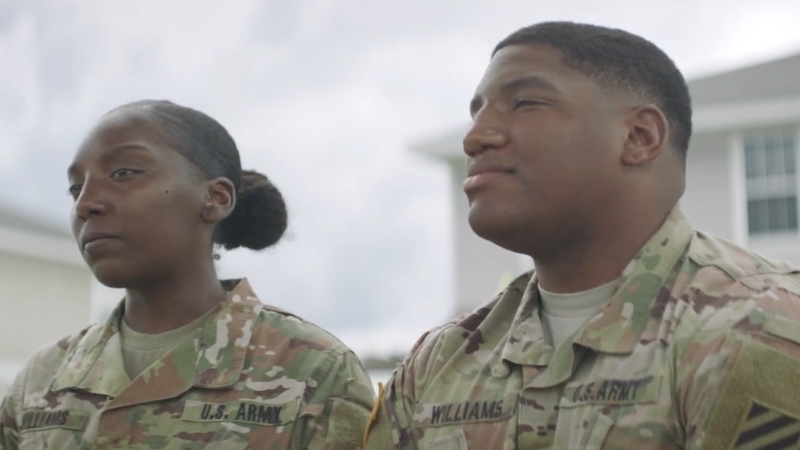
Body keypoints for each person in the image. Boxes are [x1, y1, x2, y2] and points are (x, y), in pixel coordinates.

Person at [365, 21, 800, 450]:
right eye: (476, 112)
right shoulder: (436, 364)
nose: (475, 137)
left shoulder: (757, 328)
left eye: (524, 103)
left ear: (639, 136)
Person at [0, 100, 375, 449]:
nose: (86, 204)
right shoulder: (40, 381)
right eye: (75, 187)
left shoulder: (314, 372)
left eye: (123, 172)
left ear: (216, 199)